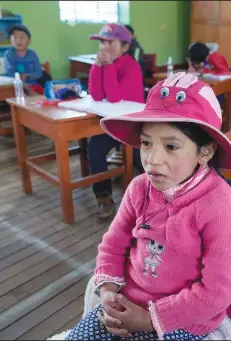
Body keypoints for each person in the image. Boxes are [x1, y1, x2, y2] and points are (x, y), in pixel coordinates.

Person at [65, 72, 231, 340]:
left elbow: (218, 292)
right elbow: (113, 245)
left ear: (205, 152)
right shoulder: (139, 188)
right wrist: (108, 293)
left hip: (183, 320)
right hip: (128, 302)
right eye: (147, 143)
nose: (152, 159)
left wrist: (151, 318)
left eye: (171, 146)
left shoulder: (220, 205)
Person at [87, 23, 144, 219]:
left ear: (125, 47)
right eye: (102, 42)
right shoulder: (104, 62)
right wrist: (97, 66)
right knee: (94, 148)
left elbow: (114, 98)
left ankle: (159, 196)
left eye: (111, 42)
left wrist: (108, 66)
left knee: (142, 159)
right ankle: (103, 196)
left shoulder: (131, 66)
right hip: (113, 123)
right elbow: (95, 94)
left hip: (134, 125)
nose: (104, 46)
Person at [4, 24, 51, 92]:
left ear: (29, 41)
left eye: (22, 37)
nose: (18, 40)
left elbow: (39, 72)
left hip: (34, 86)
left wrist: (28, 75)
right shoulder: (9, 54)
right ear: (11, 41)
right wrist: (21, 83)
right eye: (15, 37)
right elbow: (10, 74)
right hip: (17, 87)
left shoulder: (32, 54)